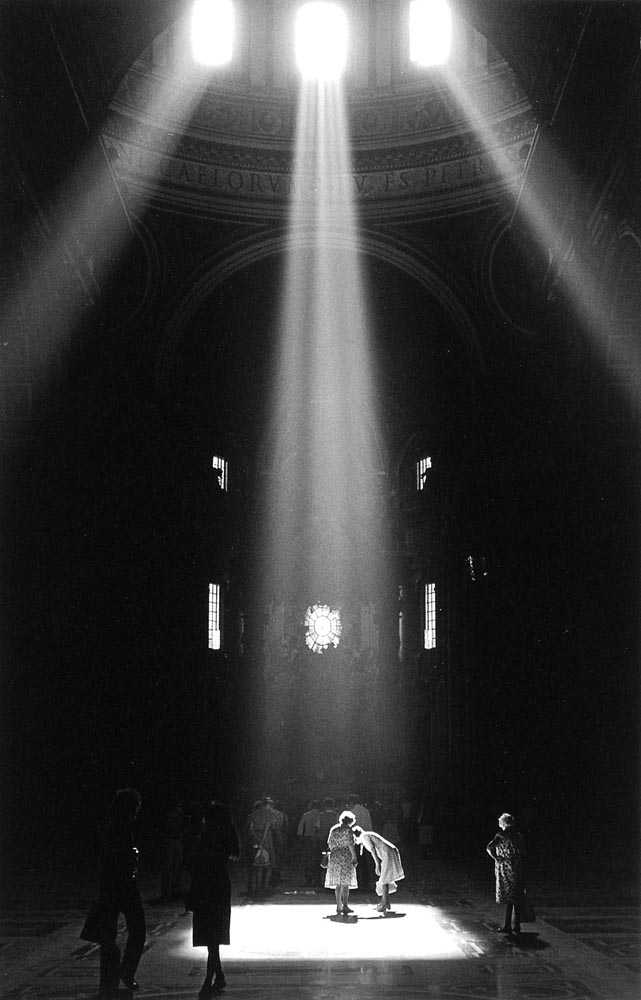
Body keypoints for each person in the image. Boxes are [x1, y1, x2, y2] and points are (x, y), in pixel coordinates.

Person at [96, 788, 146, 997]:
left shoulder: (113, 827)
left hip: (111, 885)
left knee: (109, 934)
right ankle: (124, 971)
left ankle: (111, 977)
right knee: (137, 929)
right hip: (123, 884)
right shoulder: (121, 829)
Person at [187, 801, 240, 997]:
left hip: (206, 885)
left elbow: (197, 862)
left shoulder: (209, 836)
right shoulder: (226, 835)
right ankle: (218, 975)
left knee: (210, 936)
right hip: (219, 885)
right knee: (214, 936)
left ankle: (209, 980)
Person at [486, 812, 526, 937]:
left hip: (505, 867)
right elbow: (524, 851)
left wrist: (496, 857)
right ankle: (517, 925)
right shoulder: (519, 836)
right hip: (517, 867)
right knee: (517, 896)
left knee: (508, 897)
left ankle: (507, 925)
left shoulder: (501, 835)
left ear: (504, 823)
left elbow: (489, 847)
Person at [353, 826, 405, 912]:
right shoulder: (367, 834)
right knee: (385, 878)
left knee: (384, 879)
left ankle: (385, 903)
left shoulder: (364, 837)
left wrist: (377, 865)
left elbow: (373, 850)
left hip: (388, 854)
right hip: (389, 852)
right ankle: (385, 902)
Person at [325, 810, 358, 915]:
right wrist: (354, 857)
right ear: (350, 821)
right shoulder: (348, 830)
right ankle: (345, 905)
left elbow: (329, 844)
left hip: (334, 856)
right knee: (345, 883)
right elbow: (350, 845)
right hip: (345, 856)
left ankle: (338, 905)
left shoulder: (333, 829)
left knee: (337, 883)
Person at [160, 800, 185, 902]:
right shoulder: (170, 817)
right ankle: (167, 891)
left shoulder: (179, 817)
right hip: (170, 841)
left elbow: (181, 828)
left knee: (177, 866)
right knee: (169, 867)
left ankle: (175, 890)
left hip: (177, 840)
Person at [297, 799, 320, 886]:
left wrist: (300, 839)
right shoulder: (320, 815)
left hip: (307, 838)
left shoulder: (306, 815)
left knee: (308, 859)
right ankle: (317, 878)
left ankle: (309, 878)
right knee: (317, 858)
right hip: (317, 838)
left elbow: (300, 829)